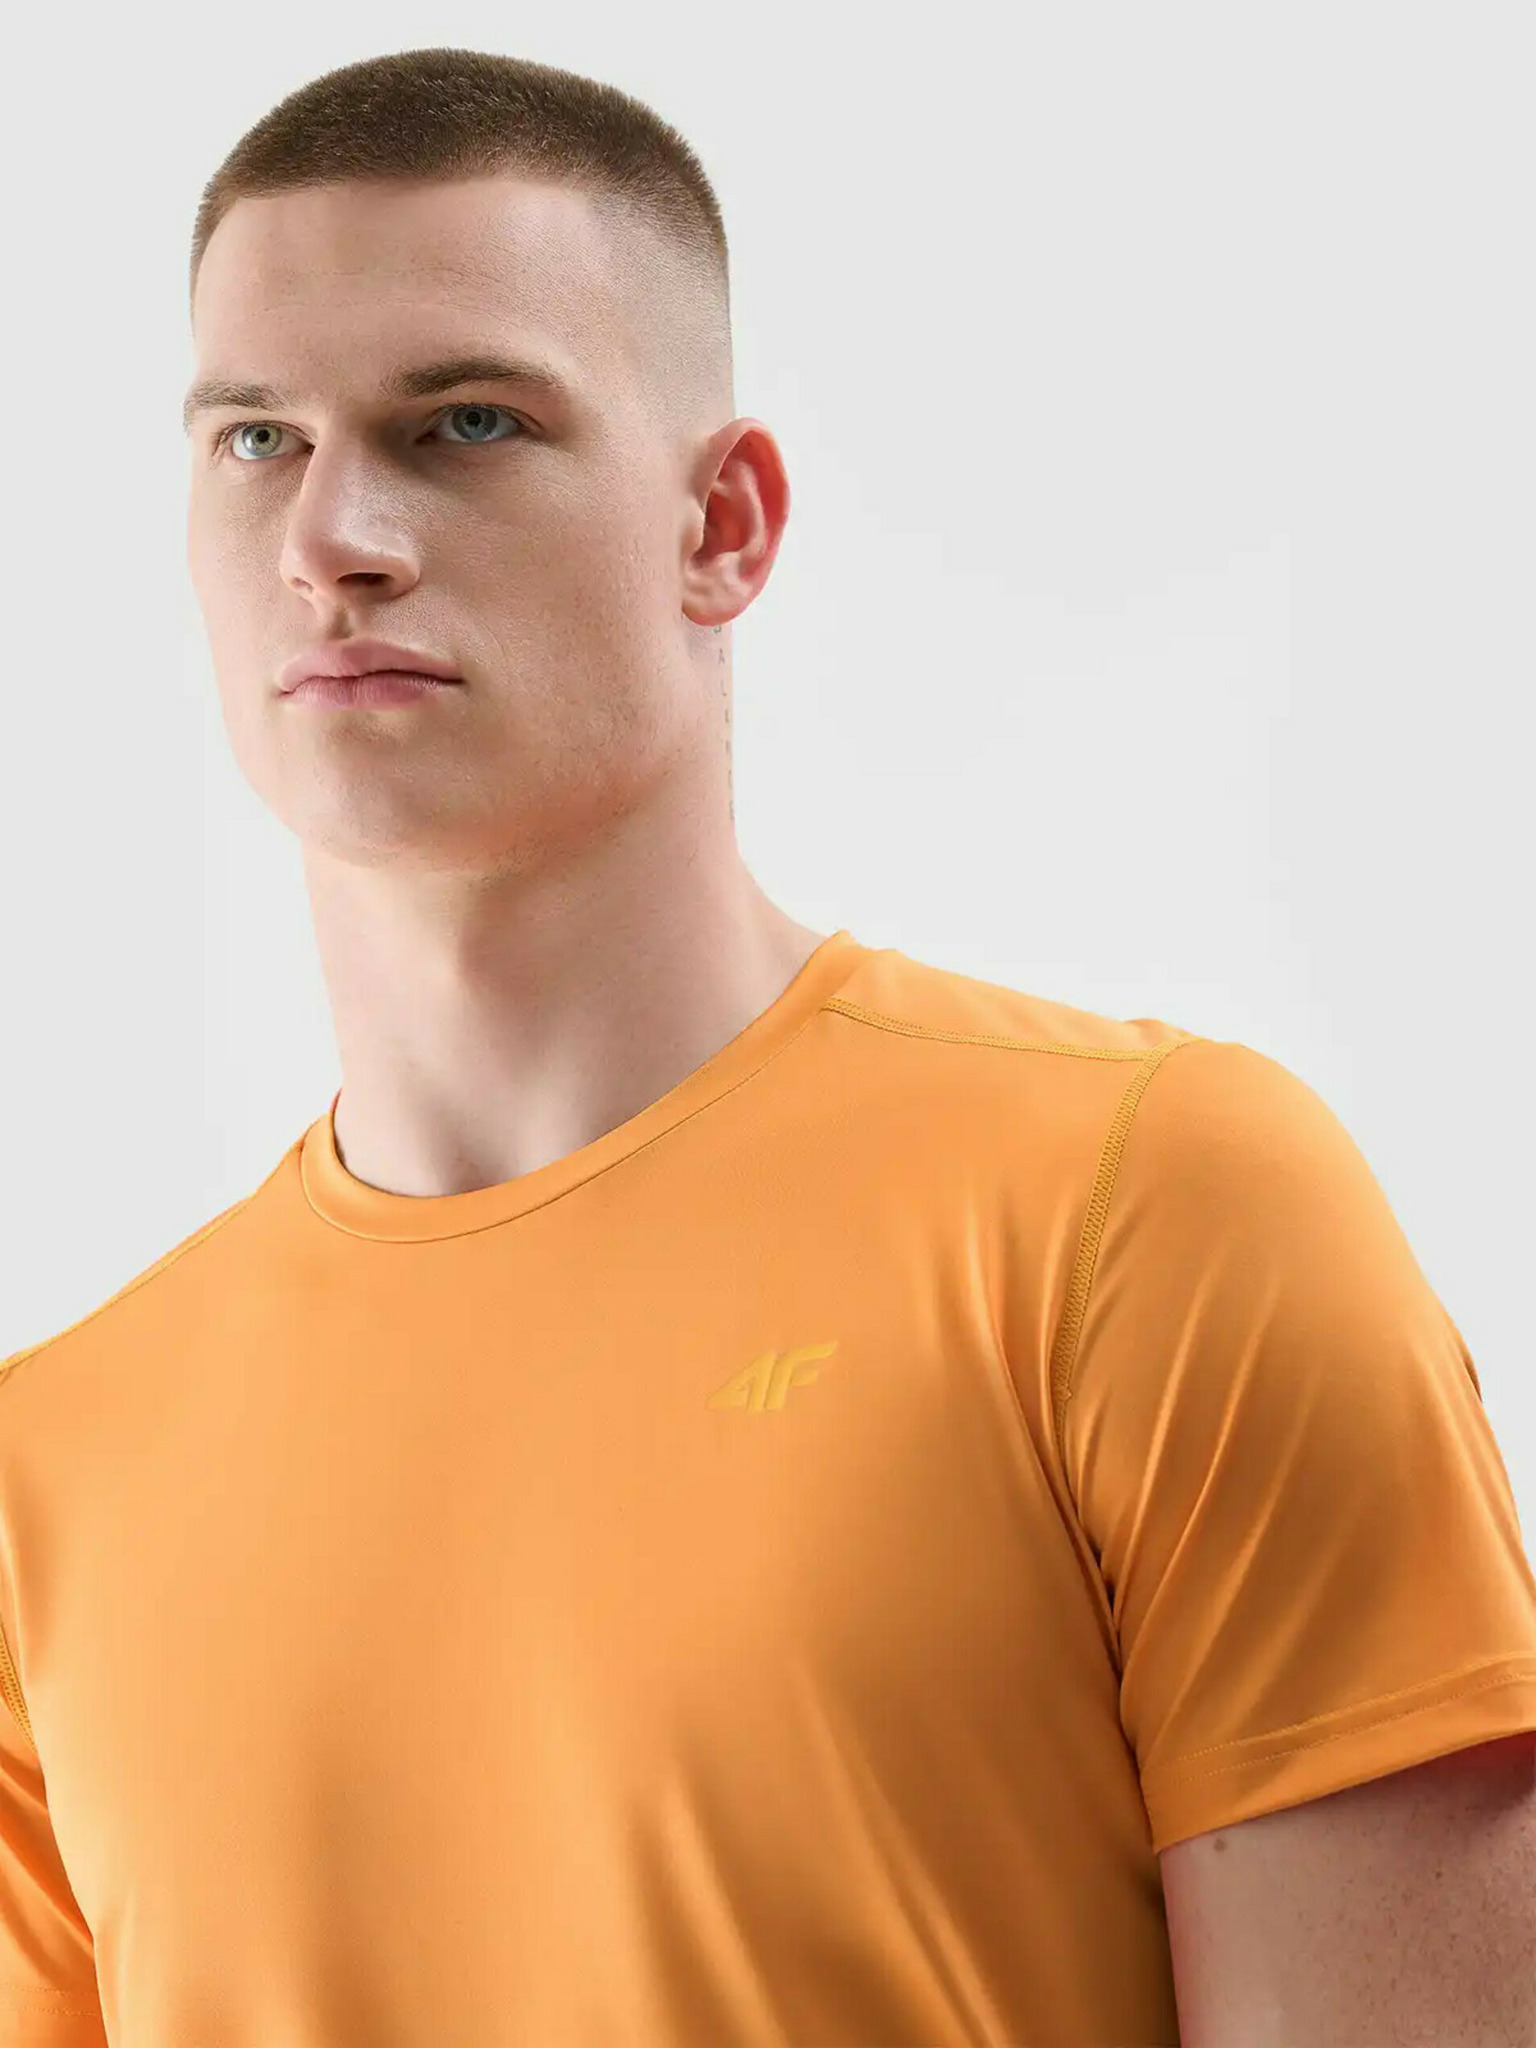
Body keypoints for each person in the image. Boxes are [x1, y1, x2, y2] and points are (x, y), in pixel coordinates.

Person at [2, 46, 1532, 2048]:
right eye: (257, 440)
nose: (332, 536)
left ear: (720, 524)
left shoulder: (1144, 1214)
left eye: (464, 423)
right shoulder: (52, 1472)